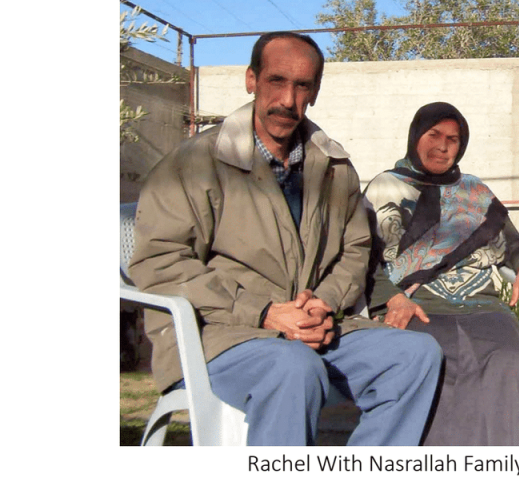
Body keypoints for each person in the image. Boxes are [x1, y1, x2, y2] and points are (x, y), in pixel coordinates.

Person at [128, 31, 442, 446]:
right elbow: (160, 263)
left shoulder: (334, 167)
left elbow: (356, 249)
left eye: (302, 86)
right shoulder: (193, 164)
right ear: (251, 80)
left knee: (415, 355)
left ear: (315, 91)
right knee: (293, 367)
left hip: (317, 327)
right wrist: (265, 313)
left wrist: (323, 303)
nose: (288, 100)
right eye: (277, 81)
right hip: (219, 334)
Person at [363, 101, 519, 446]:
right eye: (434, 135)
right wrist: (391, 298)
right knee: (438, 361)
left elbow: (515, 241)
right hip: (417, 305)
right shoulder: (385, 188)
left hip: (484, 305)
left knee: (506, 360)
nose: (443, 146)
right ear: (416, 136)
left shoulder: (474, 190)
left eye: (453, 139)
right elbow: (362, 257)